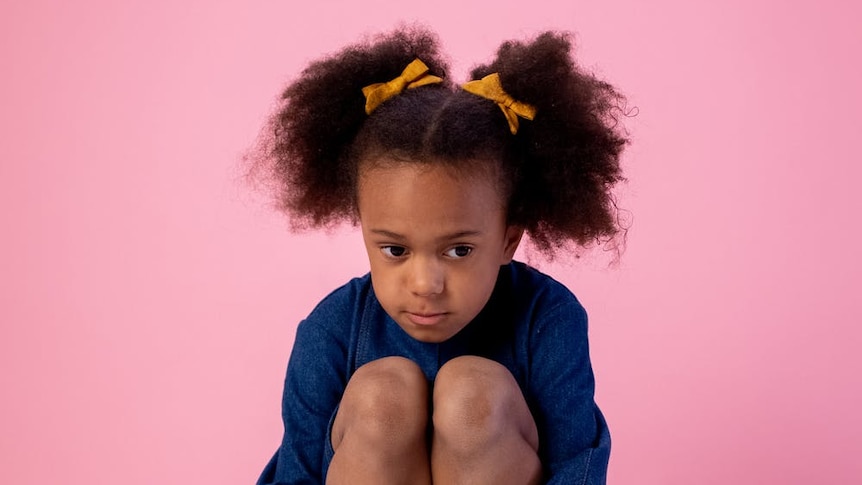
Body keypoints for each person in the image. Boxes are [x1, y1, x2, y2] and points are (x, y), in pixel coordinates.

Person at [250, 25, 628, 485]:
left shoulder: (549, 318)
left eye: (459, 250)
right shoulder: (330, 330)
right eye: (394, 249)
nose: (425, 283)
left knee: (472, 394)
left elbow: (576, 466)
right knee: (381, 397)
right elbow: (299, 472)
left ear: (509, 240)